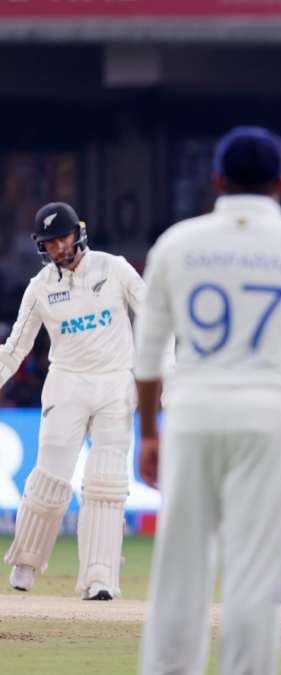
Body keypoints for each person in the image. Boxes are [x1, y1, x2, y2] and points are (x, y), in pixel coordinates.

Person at [134, 126, 281, 675]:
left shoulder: (178, 242)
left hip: (191, 412)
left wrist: (149, 431)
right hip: (273, 415)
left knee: (180, 570)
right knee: (256, 574)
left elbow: (148, 353)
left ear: (217, 181)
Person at [2, 201, 150, 601]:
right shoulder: (40, 288)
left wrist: (163, 373)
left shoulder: (113, 268)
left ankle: (99, 576)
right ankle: (27, 560)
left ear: (78, 233)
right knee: (50, 479)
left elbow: (155, 315)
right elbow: (15, 349)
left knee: (106, 483)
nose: (57, 249)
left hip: (115, 384)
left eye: (62, 239)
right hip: (66, 385)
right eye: (49, 244)